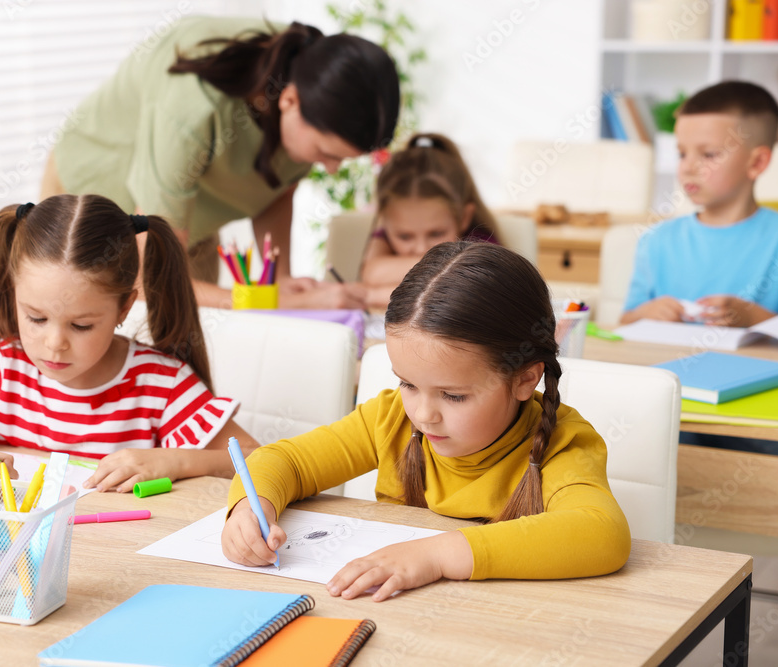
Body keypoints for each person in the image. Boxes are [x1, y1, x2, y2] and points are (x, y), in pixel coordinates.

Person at [221, 241, 631, 601]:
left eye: (453, 395)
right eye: (408, 384)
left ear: (526, 378)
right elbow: (285, 460)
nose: (422, 413)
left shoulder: (562, 443)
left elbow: (602, 534)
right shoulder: (390, 419)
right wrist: (249, 510)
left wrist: (436, 555)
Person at [0, 194, 258, 495]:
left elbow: (259, 460)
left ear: (124, 306)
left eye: (82, 325)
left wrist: (175, 461)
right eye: (36, 318)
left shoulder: (161, 384)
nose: (54, 345)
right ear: (14, 293)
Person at [41, 16, 401, 310]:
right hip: (95, 208)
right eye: (328, 153)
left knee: (193, 351)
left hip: (187, 221)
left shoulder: (305, 74)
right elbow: (150, 279)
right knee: (81, 344)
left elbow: (276, 189)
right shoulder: (194, 106)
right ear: (289, 100)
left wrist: (281, 280)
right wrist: (267, 301)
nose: (332, 168)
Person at [621, 80, 778, 326]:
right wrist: (646, 313)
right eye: (682, 154)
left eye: (708, 154)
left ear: (756, 163)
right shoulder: (657, 240)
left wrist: (753, 317)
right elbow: (625, 321)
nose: (688, 167)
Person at [360, 133, 500, 309]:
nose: (421, 248)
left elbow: (461, 293)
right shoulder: (388, 229)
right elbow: (372, 274)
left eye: (436, 233)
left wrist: (369, 295)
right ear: (385, 223)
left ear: (464, 217)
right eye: (404, 236)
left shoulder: (482, 243)